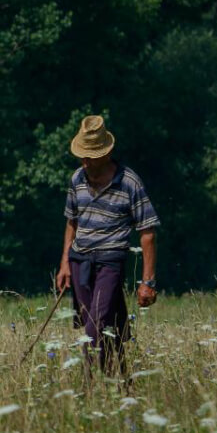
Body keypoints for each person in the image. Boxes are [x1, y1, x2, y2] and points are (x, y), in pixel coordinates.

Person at [56, 115, 160, 377]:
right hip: (79, 260)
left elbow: (147, 232)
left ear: (106, 153)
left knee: (93, 329)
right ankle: (124, 386)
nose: (85, 161)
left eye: (91, 155)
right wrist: (64, 263)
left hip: (110, 262)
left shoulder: (129, 182)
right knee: (108, 329)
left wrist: (148, 282)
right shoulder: (77, 179)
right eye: (83, 155)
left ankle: (90, 388)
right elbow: (72, 222)